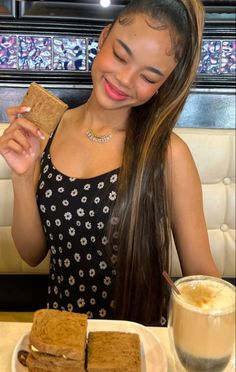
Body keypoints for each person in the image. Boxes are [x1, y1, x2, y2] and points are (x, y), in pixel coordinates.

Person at [0, 0, 219, 325]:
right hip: (62, 340)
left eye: (148, 76)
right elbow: (32, 255)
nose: (125, 80)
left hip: (139, 346)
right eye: (120, 55)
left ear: (162, 85)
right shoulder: (48, 130)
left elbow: (203, 278)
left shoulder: (169, 155)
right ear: (103, 38)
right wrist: (23, 174)